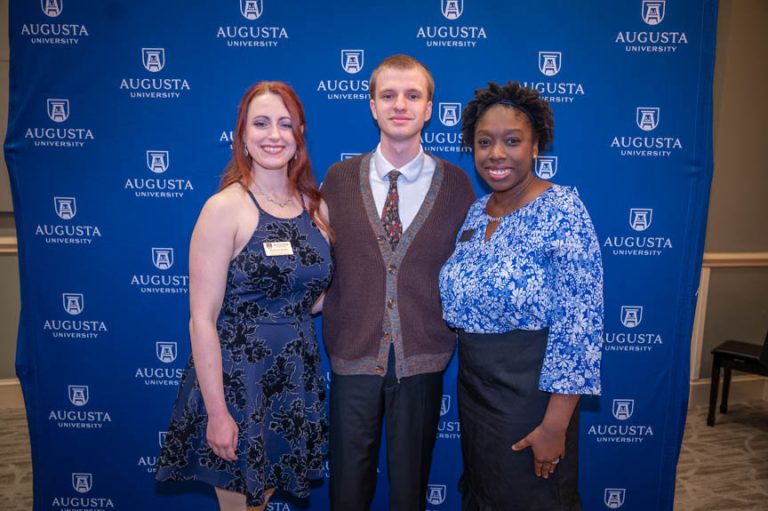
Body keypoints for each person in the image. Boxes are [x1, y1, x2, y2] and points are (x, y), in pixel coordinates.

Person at [155, 81, 333, 511]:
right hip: (239, 384)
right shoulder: (224, 208)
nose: (273, 134)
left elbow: (313, 297)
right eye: (261, 123)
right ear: (242, 136)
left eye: (285, 124)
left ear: (299, 136)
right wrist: (217, 412)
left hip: (295, 380)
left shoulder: (315, 207)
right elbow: (201, 317)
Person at [439, 81, 604, 511]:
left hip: (531, 398)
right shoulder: (477, 212)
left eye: (512, 141)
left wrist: (555, 425)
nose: (496, 154)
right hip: (475, 395)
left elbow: (579, 324)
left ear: (536, 147)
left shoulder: (563, 209)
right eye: (484, 142)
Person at [321, 54, 475, 510]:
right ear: (372, 105)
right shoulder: (339, 179)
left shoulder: (457, 184)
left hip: (423, 359)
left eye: (413, 96)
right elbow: (320, 260)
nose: (400, 105)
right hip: (352, 354)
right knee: (347, 488)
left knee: (411, 488)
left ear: (429, 108)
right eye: (388, 95)